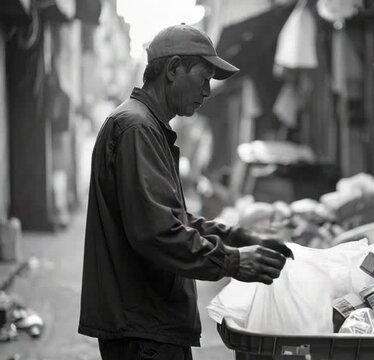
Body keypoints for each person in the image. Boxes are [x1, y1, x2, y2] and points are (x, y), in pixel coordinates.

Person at [78, 24, 293, 360]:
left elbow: (173, 218)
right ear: (174, 69)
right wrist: (232, 261)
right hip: (144, 326)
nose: (207, 91)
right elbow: (156, 232)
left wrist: (241, 238)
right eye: (203, 78)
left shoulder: (147, 126)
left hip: (150, 323)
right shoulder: (136, 128)